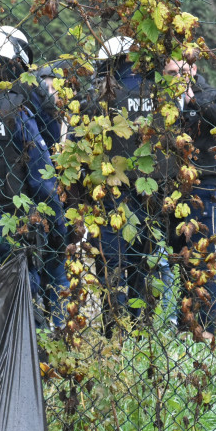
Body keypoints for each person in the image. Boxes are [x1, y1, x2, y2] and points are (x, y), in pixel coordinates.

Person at [0, 27, 67, 329]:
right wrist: (57, 227)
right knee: (21, 313)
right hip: (13, 222)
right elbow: (42, 179)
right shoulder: (19, 111)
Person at [83, 36, 161, 336]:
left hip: (111, 193)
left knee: (112, 268)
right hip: (150, 190)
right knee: (144, 264)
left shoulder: (99, 97)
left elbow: (81, 144)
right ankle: (142, 332)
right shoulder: (157, 93)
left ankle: (114, 331)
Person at [163, 57, 216, 334]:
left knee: (200, 254)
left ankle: (203, 327)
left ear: (193, 70)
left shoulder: (212, 94)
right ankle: (176, 321)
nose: (177, 78)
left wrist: (198, 103)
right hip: (164, 184)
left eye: (183, 71)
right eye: (171, 72)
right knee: (168, 255)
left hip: (201, 184)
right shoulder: (156, 98)